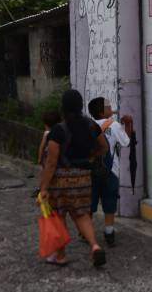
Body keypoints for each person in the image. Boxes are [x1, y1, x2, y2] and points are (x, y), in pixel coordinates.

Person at [39, 89, 108, 267]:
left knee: (59, 216)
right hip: (84, 178)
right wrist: (91, 157)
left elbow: (51, 162)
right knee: (82, 215)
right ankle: (94, 246)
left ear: (63, 107)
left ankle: (60, 256)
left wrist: (44, 188)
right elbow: (104, 146)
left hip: (60, 181)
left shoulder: (58, 130)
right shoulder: (91, 125)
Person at [87, 97, 133, 247]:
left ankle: (85, 232)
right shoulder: (113, 125)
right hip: (110, 171)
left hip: (91, 172)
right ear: (102, 111)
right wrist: (129, 123)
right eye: (108, 106)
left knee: (89, 204)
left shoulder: (88, 125)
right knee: (109, 203)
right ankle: (109, 232)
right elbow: (126, 142)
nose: (111, 108)